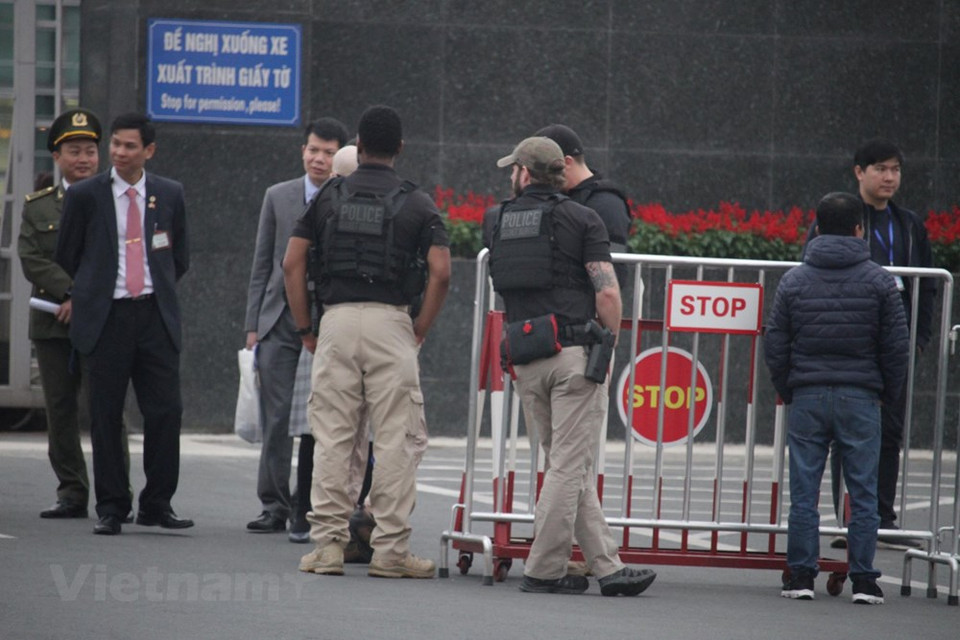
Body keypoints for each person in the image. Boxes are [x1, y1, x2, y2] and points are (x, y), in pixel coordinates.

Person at [284, 105, 450, 579]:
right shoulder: (417, 203)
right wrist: (419, 327)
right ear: (400, 147)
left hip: (335, 322)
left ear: (357, 142)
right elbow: (441, 271)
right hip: (392, 324)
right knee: (397, 439)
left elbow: (292, 264)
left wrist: (305, 328)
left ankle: (329, 547)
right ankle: (390, 551)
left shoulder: (328, 196)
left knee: (334, 437)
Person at [487, 136, 656, 596]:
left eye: (514, 169)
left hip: (524, 356)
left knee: (566, 464)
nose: (510, 177)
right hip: (573, 355)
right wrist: (610, 343)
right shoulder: (585, 218)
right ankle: (543, 569)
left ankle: (607, 566)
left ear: (525, 173)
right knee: (568, 465)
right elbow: (606, 290)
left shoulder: (496, 220)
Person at [765, 192, 909, 604]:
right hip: (862, 396)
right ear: (859, 230)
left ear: (817, 228)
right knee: (863, 493)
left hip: (808, 395)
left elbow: (776, 340)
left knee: (804, 491)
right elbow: (895, 347)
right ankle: (864, 580)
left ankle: (801, 576)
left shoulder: (794, 279)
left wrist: (788, 386)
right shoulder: (880, 280)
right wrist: (886, 393)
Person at [55, 112, 192, 536]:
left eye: (129, 146)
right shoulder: (86, 195)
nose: (118, 152)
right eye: (115, 144)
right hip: (107, 318)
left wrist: (152, 288)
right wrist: (94, 289)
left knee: (165, 412)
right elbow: (67, 253)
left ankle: (157, 503)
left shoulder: (169, 194)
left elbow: (179, 257)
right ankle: (112, 506)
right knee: (105, 414)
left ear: (148, 151)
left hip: (154, 315)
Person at [812, 139, 935, 550]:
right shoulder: (840, 217)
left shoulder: (909, 224)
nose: (889, 177)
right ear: (858, 172)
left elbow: (928, 285)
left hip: (894, 343)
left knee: (890, 432)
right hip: (851, 341)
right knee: (845, 432)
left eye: (895, 169)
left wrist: (919, 339)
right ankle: (850, 521)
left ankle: (882, 518)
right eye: (881, 168)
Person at [244, 118, 348, 539]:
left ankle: (311, 504)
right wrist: (253, 325)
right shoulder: (278, 196)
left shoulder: (345, 195)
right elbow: (263, 262)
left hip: (326, 320)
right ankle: (274, 504)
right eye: (313, 150)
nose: (319, 159)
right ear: (302, 151)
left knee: (319, 421)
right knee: (277, 416)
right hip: (278, 320)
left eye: (328, 152)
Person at [17, 109, 110, 519]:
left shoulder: (114, 201)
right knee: (60, 408)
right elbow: (32, 259)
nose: (84, 159)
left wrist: (85, 299)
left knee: (108, 408)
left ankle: (114, 493)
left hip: (105, 320)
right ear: (57, 156)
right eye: (74, 151)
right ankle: (72, 491)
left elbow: (113, 258)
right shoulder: (38, 208)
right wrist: (70, 292)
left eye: (90, 150)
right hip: (53, 319)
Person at [535, 124, 632, 287]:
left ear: (566, 162)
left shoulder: (606, 203)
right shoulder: (562, 197)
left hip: (583, 307)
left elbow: (611, 277)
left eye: (543, 168)